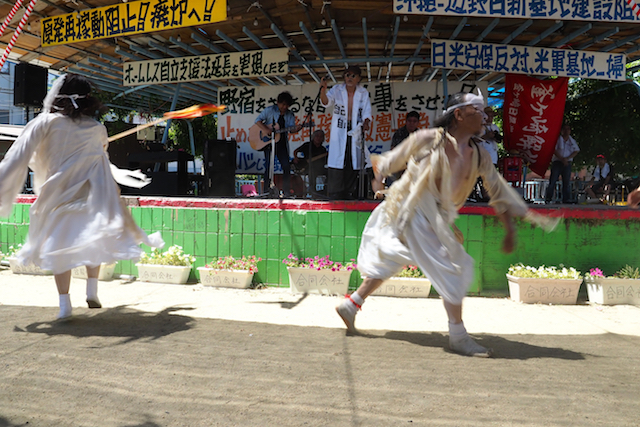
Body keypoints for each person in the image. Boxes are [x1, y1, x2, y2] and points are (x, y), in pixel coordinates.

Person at [335, 91, 559, 357]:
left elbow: (497, 190)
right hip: (413, 209)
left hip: (435, 216)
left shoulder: (479, 154)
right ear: (459, 114)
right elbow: (388, 162)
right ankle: (458, 335)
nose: (485, 117)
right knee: (455, 267)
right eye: (478, 112)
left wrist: (510, 228)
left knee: (393, 259)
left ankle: (352, 304)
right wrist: (380, 181)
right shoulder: (429, 139)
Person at [0, 74, 164, 320]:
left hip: (59, 197)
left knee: (61, 250)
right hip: (92, 197)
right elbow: (102, 158)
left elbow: (18, 156)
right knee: (92, 240)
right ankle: (92, 291)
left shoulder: (45, 122)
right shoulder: (96, 128)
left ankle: (64, 304)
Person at [320, 65, 372, 200]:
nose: (350, 78)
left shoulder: (363, 93)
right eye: (347, 75)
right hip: (340, 129)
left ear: (359, 78)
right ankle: (336, 193)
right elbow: (326, 102)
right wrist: (323, 90)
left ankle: (351, 192)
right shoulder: (337, 89)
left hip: (355, 130)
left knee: (352, 160)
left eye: (353, 75)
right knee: (338, 160)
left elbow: (367, 112)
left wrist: (366, 122)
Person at [254, 91, 302, 198]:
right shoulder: (270, 110)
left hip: (282, 143)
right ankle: (266, 191)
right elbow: (257, 121)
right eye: (283, 104)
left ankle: (286, 191)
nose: (284, 107)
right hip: (269, 143)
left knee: (286, 166)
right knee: (268, 167)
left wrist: (297, 129)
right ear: (278, 102)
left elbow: (291, 130)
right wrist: (266, 129)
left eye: (287, 105)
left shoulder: (290, 114)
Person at [545, 124, 580, 204]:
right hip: (557, 162)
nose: (566, 131)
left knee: (566, 182)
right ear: (562, 130)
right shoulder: (557, 139)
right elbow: (554, 150)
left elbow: (576, 150)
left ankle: (566, 199)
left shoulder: (572, 141)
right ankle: (548, 198)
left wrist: (567, 159)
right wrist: (562, 158)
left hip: (567, 162)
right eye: (565, 129)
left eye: (568, 129)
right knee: (553, 181)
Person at [293, 130, 328, 194]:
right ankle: (312, 189)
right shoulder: (307, 145)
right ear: (313, 137)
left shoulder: (323, 149)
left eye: (321, 137)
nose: (318, 138)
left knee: (330, 172)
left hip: (318, 168)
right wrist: (296, 158)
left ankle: (326, 189)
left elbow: (324, 162)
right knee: (312, 171)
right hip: (306, 167)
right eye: (317, 136)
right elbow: (296, 151)